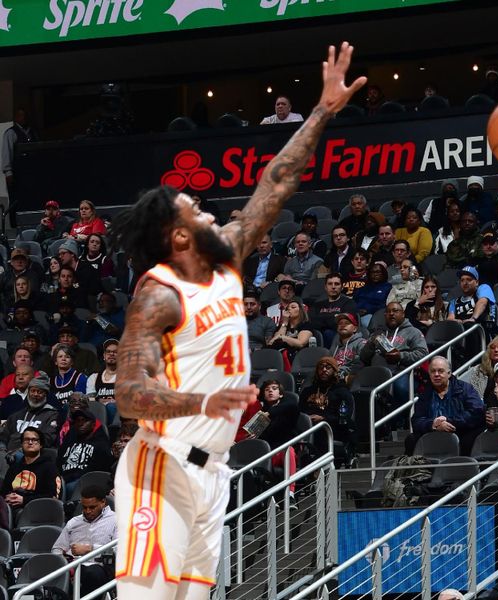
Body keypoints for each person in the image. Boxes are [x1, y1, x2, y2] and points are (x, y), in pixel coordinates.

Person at [107, 42, 365, 599]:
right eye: (194, 210)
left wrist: (322, 113)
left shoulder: (224, 256)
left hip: (213, 474)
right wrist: (198, 403)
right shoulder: (159, 295)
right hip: (163, 465)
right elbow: (129, 394)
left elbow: (274, 184)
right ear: (179, 237)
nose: (207, 210)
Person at [406, 356, 485, 456]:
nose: (436, 374)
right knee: (411, 439)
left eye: (440, 371)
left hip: (460, 430)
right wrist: (433, 424)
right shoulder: (425, 393)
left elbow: (476, 412)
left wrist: (449, 421)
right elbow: (416, 420)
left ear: (449, 373)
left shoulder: (465, 389)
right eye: (433, 371)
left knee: (469, 438)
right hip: (434, 433)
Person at [52, 484, 117, 596]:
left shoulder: (116, 520)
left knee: (91, 573)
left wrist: (90, 549)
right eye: (84, 507)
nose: (87, 511)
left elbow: (119, 551)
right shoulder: (73, 522)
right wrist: (64, 560)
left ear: (103, 502)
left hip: (101, 567)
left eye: (92, 507)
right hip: (72, 567)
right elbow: (57, 549)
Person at [299, 356, 357, 465]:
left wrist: (324, 419)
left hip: (331, 429)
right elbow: (299, 413)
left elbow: (344, 418)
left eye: (328, 367)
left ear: (335, 371)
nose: (324, 370)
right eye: (321, 367)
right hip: (308, 428)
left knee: (319, 433)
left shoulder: (342, 392)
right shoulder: (307, 391)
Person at [58, 393, 113, 497]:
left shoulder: (99, 439)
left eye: (84, 420)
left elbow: (102, 464)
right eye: (78, 421)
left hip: (83, 481)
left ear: (92, 423)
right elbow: (60, 458)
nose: (80, 423)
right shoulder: (71, 434)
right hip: (65, 479)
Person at [0, 426, 57, 513]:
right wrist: (7, 497)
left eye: (34, 440)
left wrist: (24, 500)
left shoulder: (49, 467)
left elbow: (51, 496)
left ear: (41, 445)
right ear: (22, 444)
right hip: (9, 508)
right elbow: (4, 491)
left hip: (35, 510)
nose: (30, 442)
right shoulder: (14, 468)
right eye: (26, 440)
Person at [0, 372, 60, 452]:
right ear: (28, 393)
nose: (35, 394)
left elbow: (48, 439)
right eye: (33, 391)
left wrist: (24, 449)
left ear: (45, 395)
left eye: (39, 392)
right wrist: (2, 449)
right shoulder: (17, 415)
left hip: (33, 455)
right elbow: (4, 437)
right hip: (9, 454)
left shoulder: (51, 415)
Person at [309, 273, 357, 347]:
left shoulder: (348, 303)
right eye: (330, 284)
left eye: (337, 284)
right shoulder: (317, 305)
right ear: (325, 287)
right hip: (318, 335)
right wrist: (332, 318)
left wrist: (322, 319)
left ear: (342, 287)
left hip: (338, 337)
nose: (333, 287)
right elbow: (312, 322)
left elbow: (344, 323)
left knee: (328, 333)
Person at [266, 298, 313, 367]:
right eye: (287, 308)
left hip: (298, 357)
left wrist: (283, 337)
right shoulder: (282, 326)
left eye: (293, 307)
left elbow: (300, 343)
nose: (289, 309)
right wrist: (284, 322)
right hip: (279, 357)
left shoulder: (305, 325)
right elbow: (272, 343)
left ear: (300, 311)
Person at [330, 313, 366, 382]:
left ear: (355, 328)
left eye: (347, 323)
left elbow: (361, 363)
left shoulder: (361, 343)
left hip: (349, 378)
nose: (343, 325)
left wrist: (344, 374)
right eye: (340, 323)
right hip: (333, 376)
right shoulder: (335, 345)